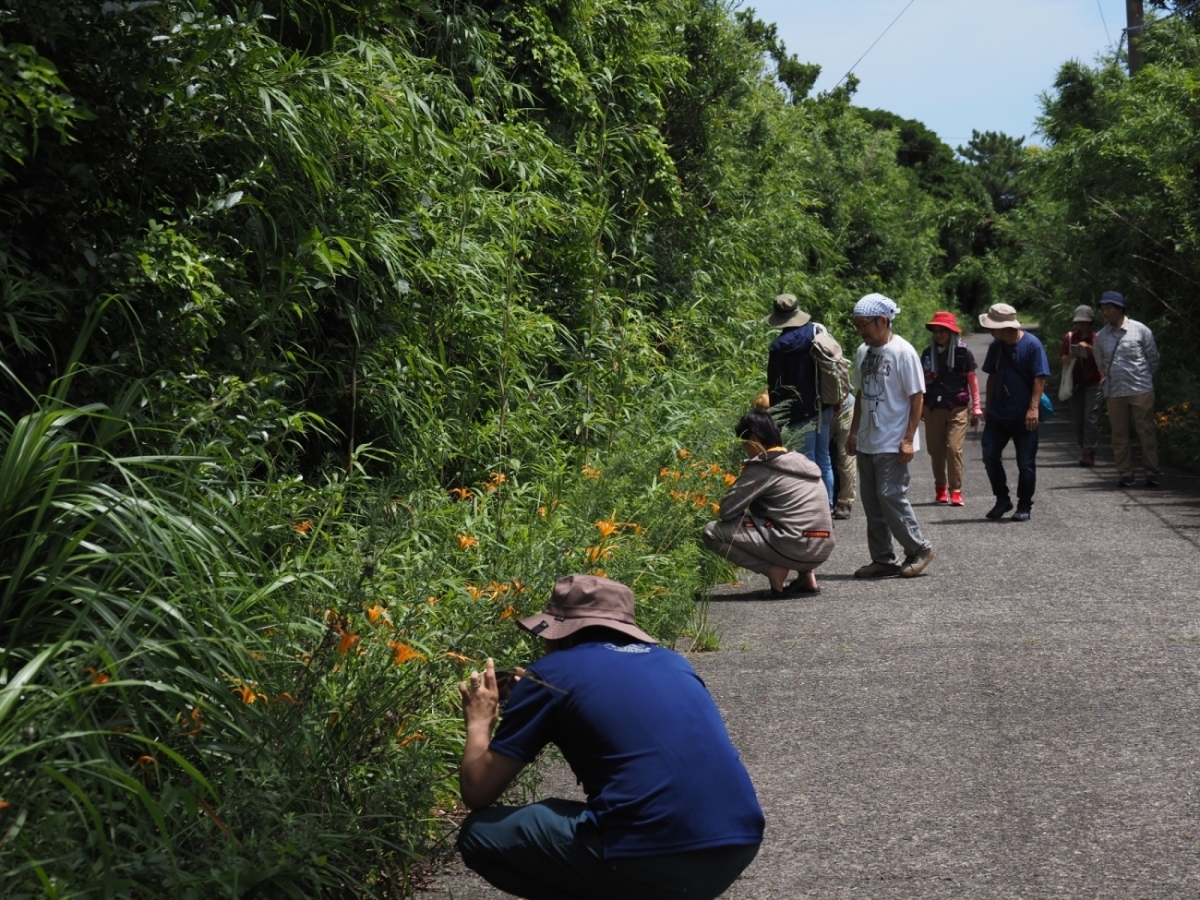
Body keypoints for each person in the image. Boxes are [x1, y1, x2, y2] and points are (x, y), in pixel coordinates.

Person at [455, 575, 764, 900]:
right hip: (735, 845)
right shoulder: (674, 662)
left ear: (560, 633)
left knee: (479, 834)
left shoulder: (551, 673)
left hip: (651, 857)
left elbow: (478, 791)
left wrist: (479, 721)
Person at [845, 293, 935, 579]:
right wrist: (853, 433)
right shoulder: (863, 351)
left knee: (890, 495)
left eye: (864, 324)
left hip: (893, 441)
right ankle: (883, 559)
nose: (861, 331)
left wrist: (908, 438)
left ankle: (919, 548)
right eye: (857, 325)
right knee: (872, 502)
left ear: (883, 320)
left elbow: (917, 397)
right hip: (868, 440)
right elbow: (859, 394)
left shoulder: (903, 352)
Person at [702, 409, 835, 598]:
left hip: (795, 548)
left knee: (711, 532)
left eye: (744, 444)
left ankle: (773, 570)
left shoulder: (762, 466)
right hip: (822, 549)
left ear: (754, 440)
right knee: (794, 515)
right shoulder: (801, 462)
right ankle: (808, 578)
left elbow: (727, 511)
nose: (745, 450)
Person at [978, 303, 1051, 522]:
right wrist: (988, 407)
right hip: (999, 414)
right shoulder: (996, 347)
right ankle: (1002, 499)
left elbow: (1040, 378)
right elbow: (991, 377)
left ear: (1006, 327)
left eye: (993, 326)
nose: (990, 330)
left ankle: (1024, 504)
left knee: (1025, 463)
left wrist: (1033, 408)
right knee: (990, 455)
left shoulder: (1032, 345)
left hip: (1024, 415)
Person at [764, 292, 835, 506]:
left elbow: (776, 388)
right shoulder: (815, 332)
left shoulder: (778, 348)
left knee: (805, 464)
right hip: (823, 405)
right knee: (824, 460)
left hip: (797, 413)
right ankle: (828, 507)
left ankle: (813, 511)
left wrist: (776, 418)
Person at [1091, 291, 1161, 487]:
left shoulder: (1140, 330)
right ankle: (1125, 474)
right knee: (1119, 435)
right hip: (1114, 391)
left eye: (1108, 308)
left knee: (1146, 432)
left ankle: (1151, 473)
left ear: (1120, 308)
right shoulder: (1101, 337)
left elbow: (1153, 357)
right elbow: (1100, 364)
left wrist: (1146, 378)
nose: (1105, 312)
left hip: (1141, 389)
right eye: (1102, 309)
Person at [919, 311, 981, 506]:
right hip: (933, 407)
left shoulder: (963, 352)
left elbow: (972, 379)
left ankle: (956, 490)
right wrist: (919, 406)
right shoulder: (928, 353)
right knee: (936, 451)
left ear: (951, 332)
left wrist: (976, 407)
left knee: (953, 449)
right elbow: (921, 382)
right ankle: (940, 488)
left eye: (943, 331)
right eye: (936, 331)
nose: (939, 335)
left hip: (958, 406)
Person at [1060, 304, 1103, 467]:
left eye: (1085, 322)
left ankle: (1088, 453)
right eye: (1079, 322)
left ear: (1090, 322)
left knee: (1090, 419)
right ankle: (1084, 448)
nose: (1082, 325)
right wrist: (1072, 355)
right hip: (1075, 383)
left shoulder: (1097, 338)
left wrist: (1089, 349)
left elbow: (1102, 359)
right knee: (1078, 421)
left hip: (1094, 382)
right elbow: (1063, 360)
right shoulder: (1070, 337)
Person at [829, 395, 857, 519]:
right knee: (819, 457)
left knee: (846, 457)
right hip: (818, 411)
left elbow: (842, 387)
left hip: (843, 406)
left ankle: (845, 503)